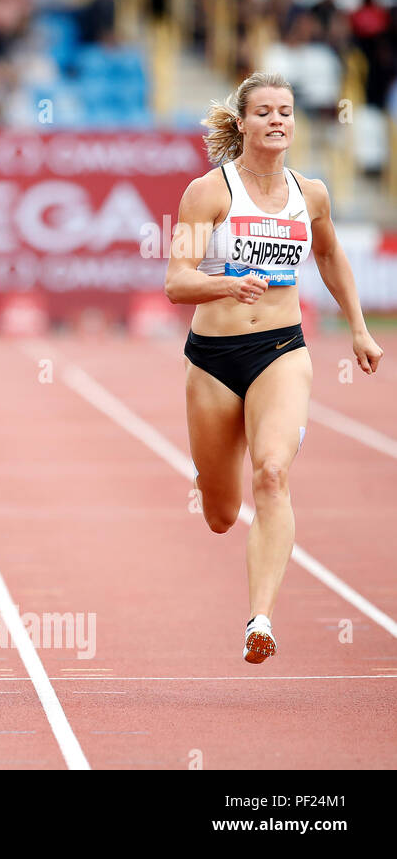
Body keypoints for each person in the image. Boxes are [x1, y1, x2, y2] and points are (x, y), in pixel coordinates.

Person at [164, 72, 382, 663]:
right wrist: (225, 283)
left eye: (285, 111)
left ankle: (259, 618)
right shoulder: (209, 192)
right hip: (213, 359)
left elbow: (331, 254)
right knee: (220, 513)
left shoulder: (309, 193)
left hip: (283, 349)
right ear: (242, 123)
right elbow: (176, 281)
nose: (277, 121)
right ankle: (212, 477)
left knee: (272, 475)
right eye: (264, 112)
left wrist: (359, 327)